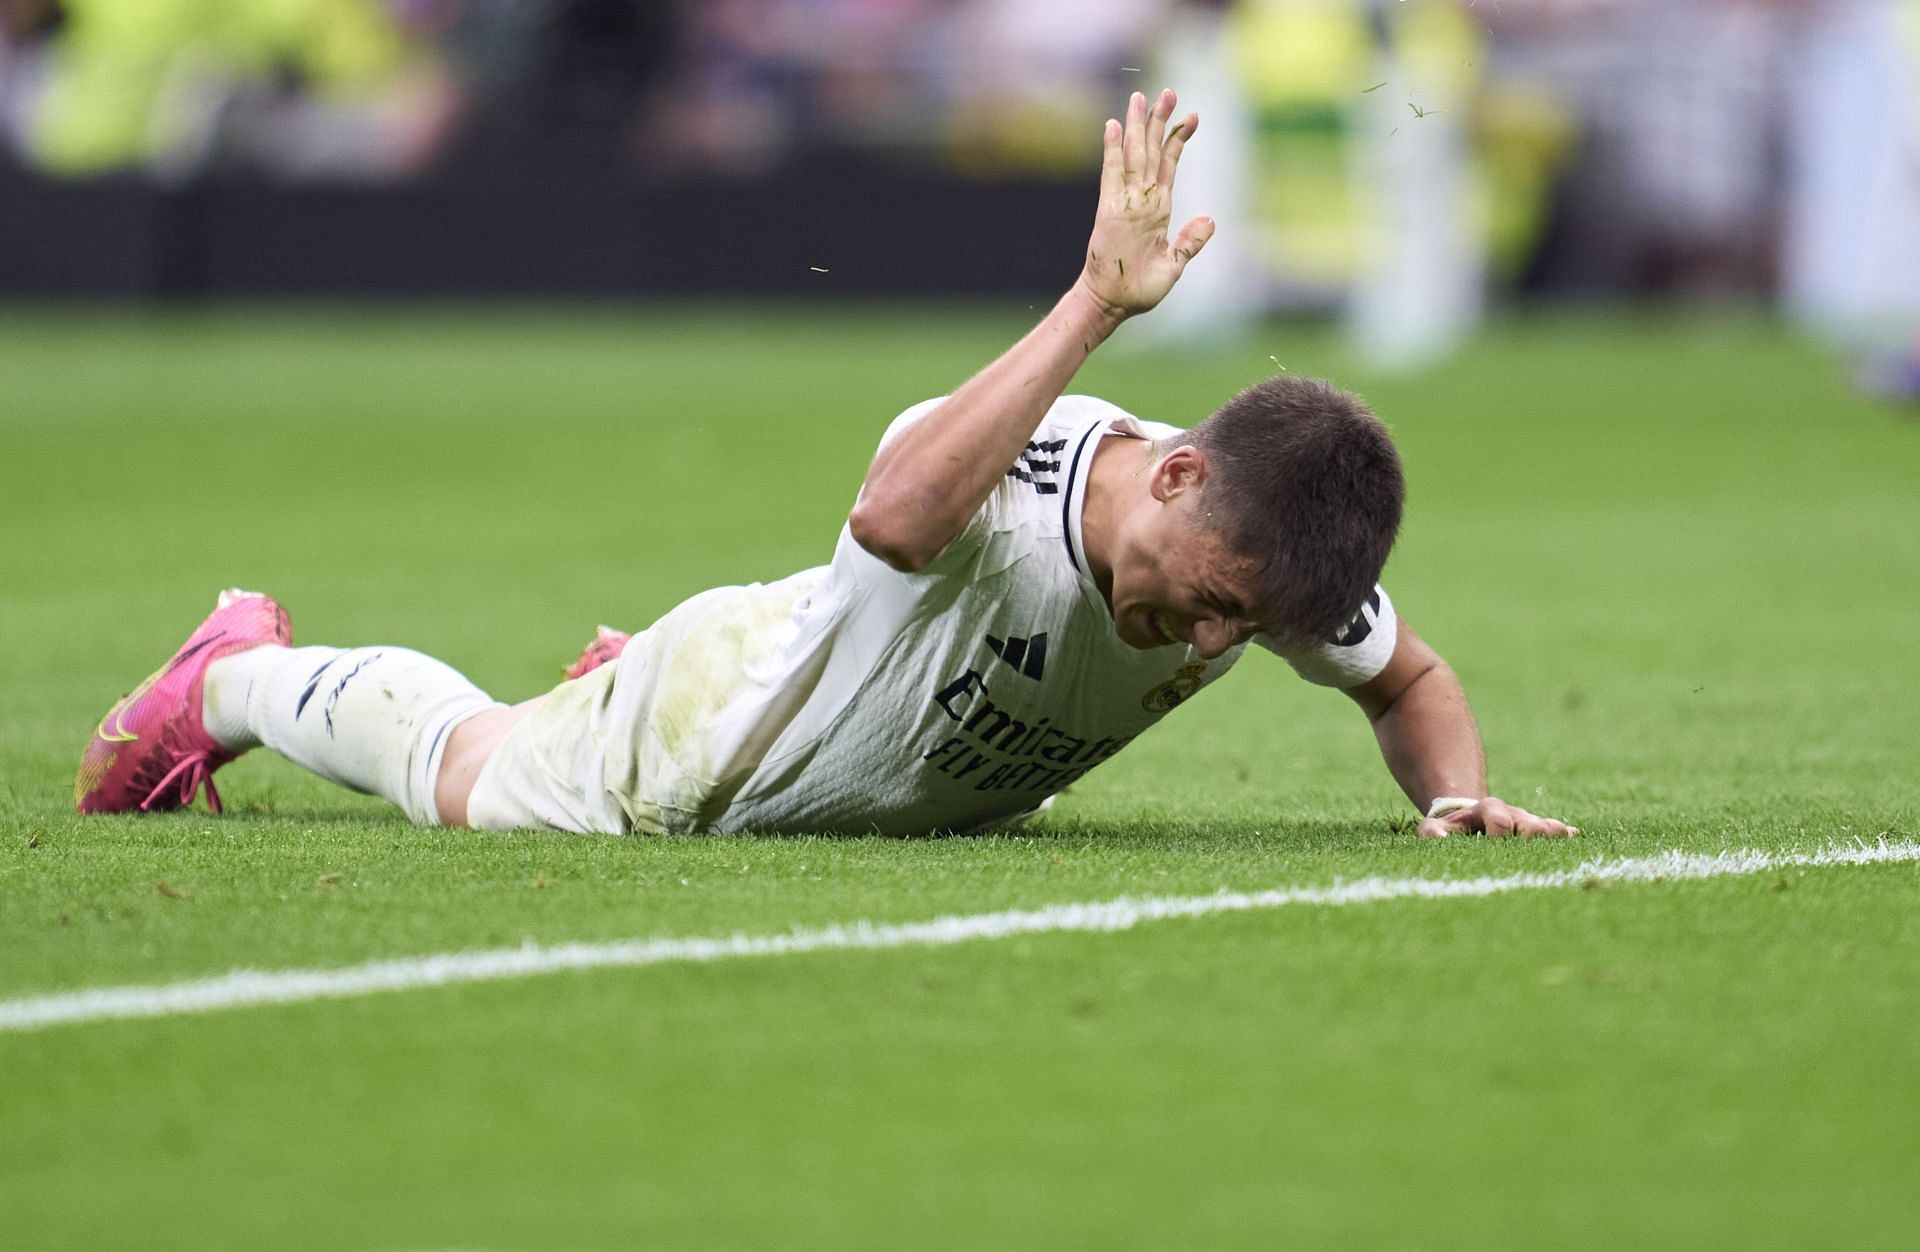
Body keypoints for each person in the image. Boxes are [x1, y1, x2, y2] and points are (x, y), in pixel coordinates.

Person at [76, 89, 1576, 842]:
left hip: (858, 734)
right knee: (461, 776)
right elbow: (893, 513)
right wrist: (1093, 308)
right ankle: (229, 676)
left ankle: (619, 677)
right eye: (1210, 604)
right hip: (730, 736)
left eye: (1242, 630)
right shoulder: (1028, 463)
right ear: (1177, 477)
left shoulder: (1271, 563)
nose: (1212, 642)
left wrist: (1450, 800)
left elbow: (1410, 680)